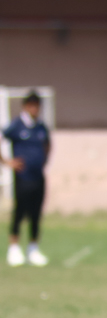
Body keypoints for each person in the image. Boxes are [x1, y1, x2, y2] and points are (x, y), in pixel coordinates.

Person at [4, 91, 51, 267]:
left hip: (38, 177)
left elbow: (48, 144)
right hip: (23, 177)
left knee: (36, 213)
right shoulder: (17, 125)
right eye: (31, 105)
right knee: (20, 211)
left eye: (37, 106)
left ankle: (33, 248)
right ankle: (14, 247)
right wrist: (7, 162)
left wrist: (44, 160)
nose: (35, 109)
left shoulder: (41, 127)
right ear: (25, 106)